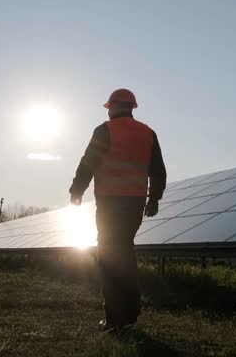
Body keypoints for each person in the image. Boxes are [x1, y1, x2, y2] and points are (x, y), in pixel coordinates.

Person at [69, 87, 167, 332]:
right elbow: (158, 171)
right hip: (134, 205)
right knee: (125, 253)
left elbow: (87, 163)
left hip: (110, 204)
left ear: (112, 107)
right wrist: (153, 199)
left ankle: (115, 319)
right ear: (132, 107)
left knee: (109, 258)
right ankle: (131, 316)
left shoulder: (104, 130)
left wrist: (76, 191)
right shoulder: (148, 133)